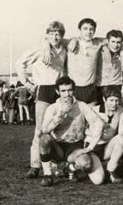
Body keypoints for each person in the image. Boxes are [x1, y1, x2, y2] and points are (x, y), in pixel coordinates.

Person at [16, 20, 67, 179]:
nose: (55, 36)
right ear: (47, 35)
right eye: (52, 34)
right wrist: (27, 83)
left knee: (58, 128)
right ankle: (35, 165)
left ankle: (54, 165)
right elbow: (19, 63)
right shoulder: (39, 50)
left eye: (58, 33)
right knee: (40, 129)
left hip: (59, 91)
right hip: (43, 89)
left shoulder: (64, 51)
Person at [38, 76, 105, 187]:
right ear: (57, 91)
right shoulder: (53, 108)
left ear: (73, 90)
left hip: (75, 146)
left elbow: (98, 123)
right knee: (44, 139)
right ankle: (48, 175)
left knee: (86, 164)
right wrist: (60, 115)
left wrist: (90, 146)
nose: (67, 94)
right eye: (63, 91)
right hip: (57, 146)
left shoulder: (82, 106)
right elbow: (45, 129)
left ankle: (70, 168)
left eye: (69, 90)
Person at [95, 30, 123, 111]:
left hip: (117, 85)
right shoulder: (101, 50)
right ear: (107, 41)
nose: (115, 45)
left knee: (116, 110)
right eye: (113, 42)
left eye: (118, 42)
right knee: (102, 111)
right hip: (102, 85)